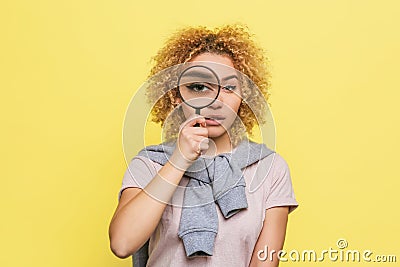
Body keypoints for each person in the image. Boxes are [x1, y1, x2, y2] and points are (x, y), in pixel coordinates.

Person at [109, 23, 299, 267]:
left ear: (244, 97)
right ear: (176, 96)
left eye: (229, 88)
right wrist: (180, 159)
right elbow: (122, 244)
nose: (215, 102)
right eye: (199, 87)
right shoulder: (150, 164)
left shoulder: (270, 169)